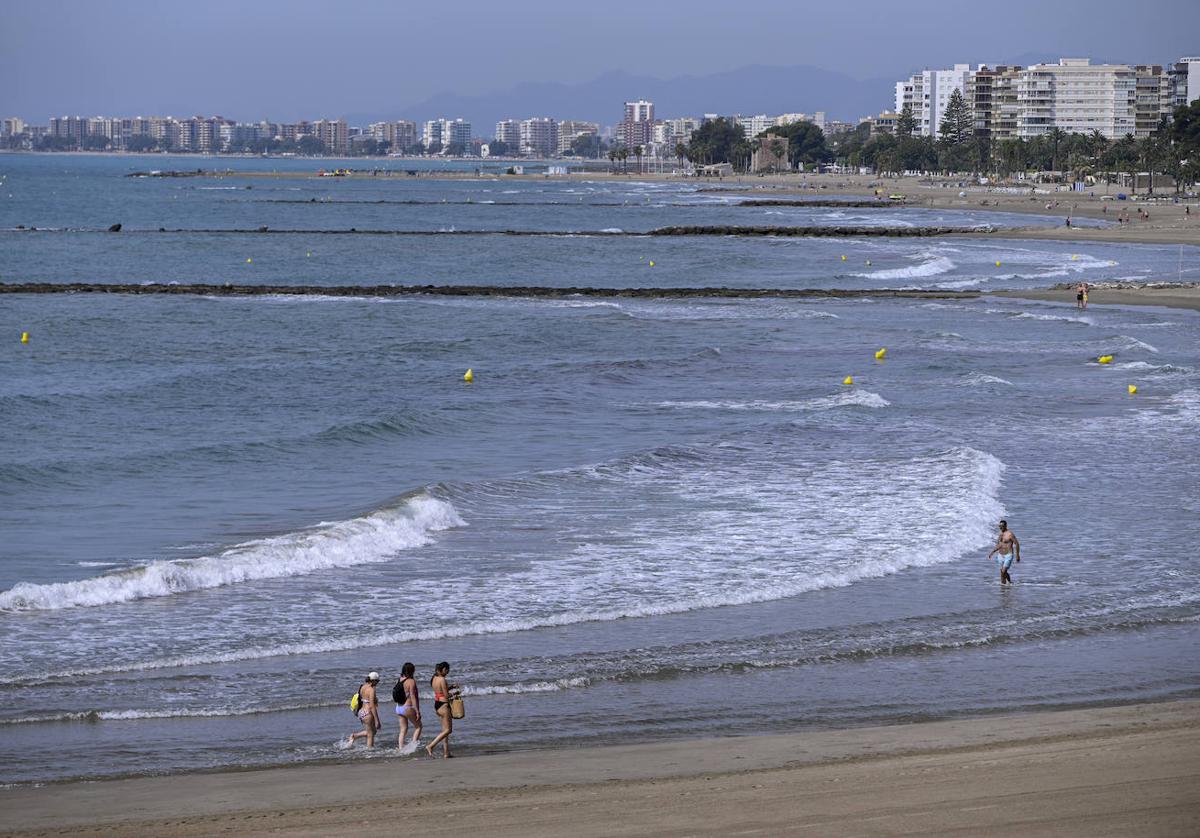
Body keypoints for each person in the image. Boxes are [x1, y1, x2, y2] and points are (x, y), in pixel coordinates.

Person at [425, 662, 460, 759]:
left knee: (444, 730)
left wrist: (451, 687)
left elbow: (440, 691)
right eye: (447, 670)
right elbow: (446, 695)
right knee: (448, 730)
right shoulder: (443, 679)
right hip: (444, 706)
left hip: (437, 705)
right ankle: (430, 746)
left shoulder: (434, 678)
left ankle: (446, 753)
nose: (447, 672)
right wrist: (455, 693)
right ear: (444, 669)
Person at [348, 672, 382, 748]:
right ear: (373, 681)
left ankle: (355, 736)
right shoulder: (371, 690)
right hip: (368, 713)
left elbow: (362, 699)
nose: (377, 683)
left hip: (361, 712)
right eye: (377, 681)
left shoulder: (362, 687)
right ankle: (370, 753)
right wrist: (377, 720)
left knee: (373, 731)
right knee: (370, 735)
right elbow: (372, 706)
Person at [393, 662, 422, 752]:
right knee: (419, 727)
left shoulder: (400, 679)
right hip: (407, 707)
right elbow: (413, 697)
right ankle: (413, 747)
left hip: (398, 707)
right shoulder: (411, 681)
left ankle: (401, 748)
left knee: (403, 729)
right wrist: (417, 711)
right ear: (412, 671)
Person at [987, 520, 1021, 584]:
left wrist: (1017, 555)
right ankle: (1003, 587)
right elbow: (999, 545)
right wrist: (992, 552)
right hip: (1000, 555)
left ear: (1005, 526)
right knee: (1002, 573)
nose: (1000, 527)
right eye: (999, 526)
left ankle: (1009, 582)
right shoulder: (1000, 535)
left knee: (1003, 571)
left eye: (1001, 526)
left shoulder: (1010, 534)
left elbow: (1017, 544)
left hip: (1008, 555)